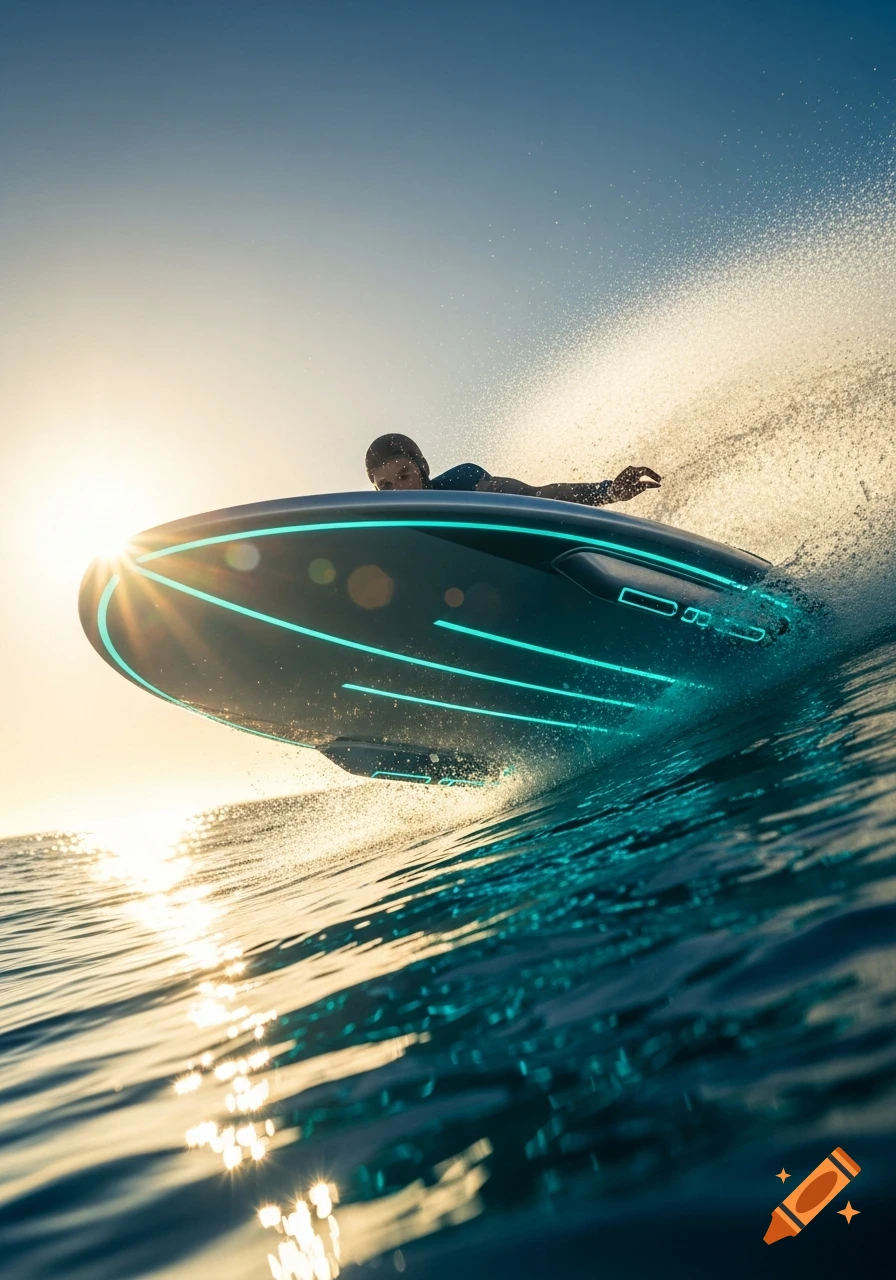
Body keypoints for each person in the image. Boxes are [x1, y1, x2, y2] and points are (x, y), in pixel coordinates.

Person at [365, 433, 661, 506]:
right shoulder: (383, 530)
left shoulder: (462, 483)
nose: (398, 490)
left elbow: (534, 497)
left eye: (404, 475)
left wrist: (608, 491)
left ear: (422, 469)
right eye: (386, 486)